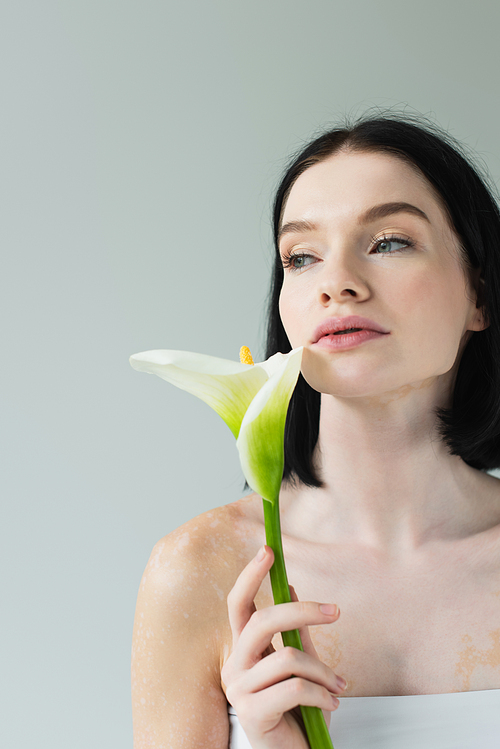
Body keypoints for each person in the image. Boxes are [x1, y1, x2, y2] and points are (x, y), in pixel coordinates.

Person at [131, 114, 500, 748]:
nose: (337, 284)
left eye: (388, 241)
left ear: (480, 294)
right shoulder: (200, 570)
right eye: (301, 257)